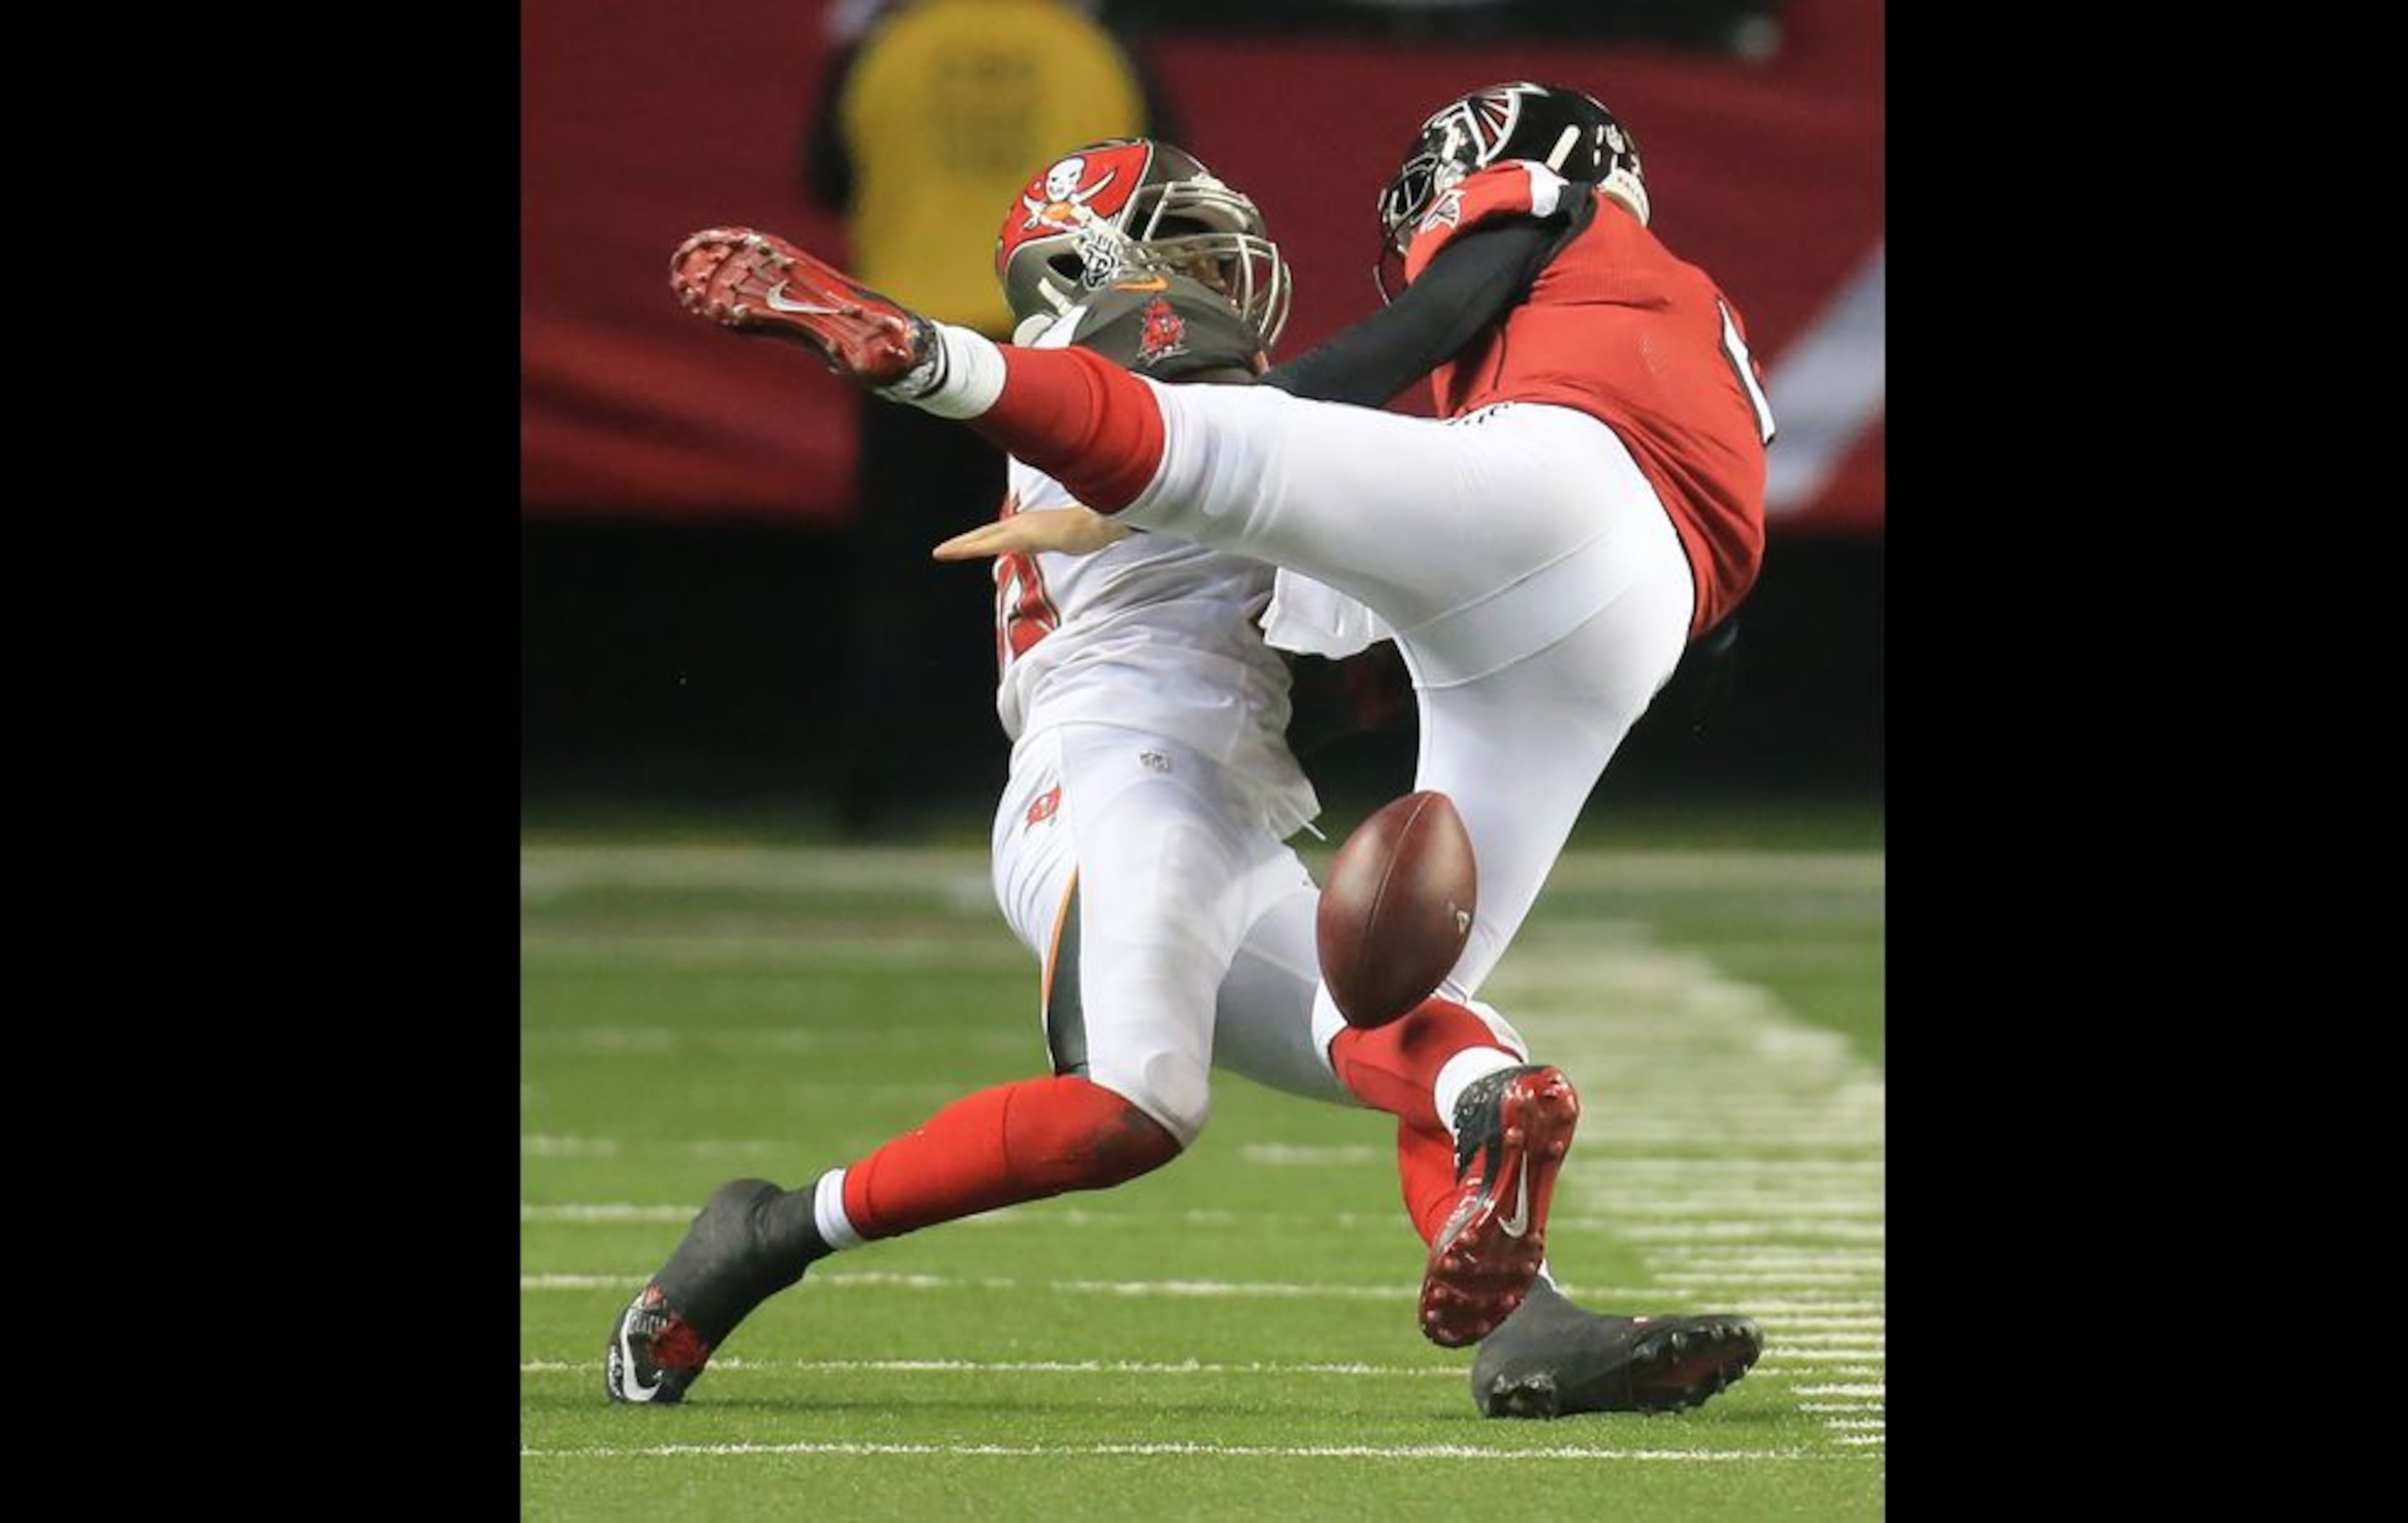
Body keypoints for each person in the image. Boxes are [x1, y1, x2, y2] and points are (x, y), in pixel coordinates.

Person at [642, 95, 1770, 1413]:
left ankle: (1529, 1325)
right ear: (1089, 260)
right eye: (1177, 241)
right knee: (1131, 1107)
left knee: (1449, 1043)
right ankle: (768, 1234)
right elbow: (1240, 439)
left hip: (1229, 794)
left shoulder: (1195, 403)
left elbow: (1331, 616)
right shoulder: (1124, 353)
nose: (1217, 270)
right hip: (1115, 774)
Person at [800, 0, 1173, 833]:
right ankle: (1070, 773)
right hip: (1055, 351)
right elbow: (1162, 191)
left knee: (905, 572)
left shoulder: (888, 48)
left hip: (910, 343)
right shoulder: (1092, 48)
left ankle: (886, 789)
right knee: (1068, 568)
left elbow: (824, 176)